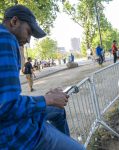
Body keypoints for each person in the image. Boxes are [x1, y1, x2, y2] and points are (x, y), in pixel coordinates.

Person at [0, 5, 85, 150]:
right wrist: (47, 99)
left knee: (58, 110)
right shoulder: (5, 38)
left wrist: (45, 99)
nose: (28, 40)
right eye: (28, 32)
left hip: (12, 121)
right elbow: (6, 106)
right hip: (14, 134)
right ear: (14, 22)